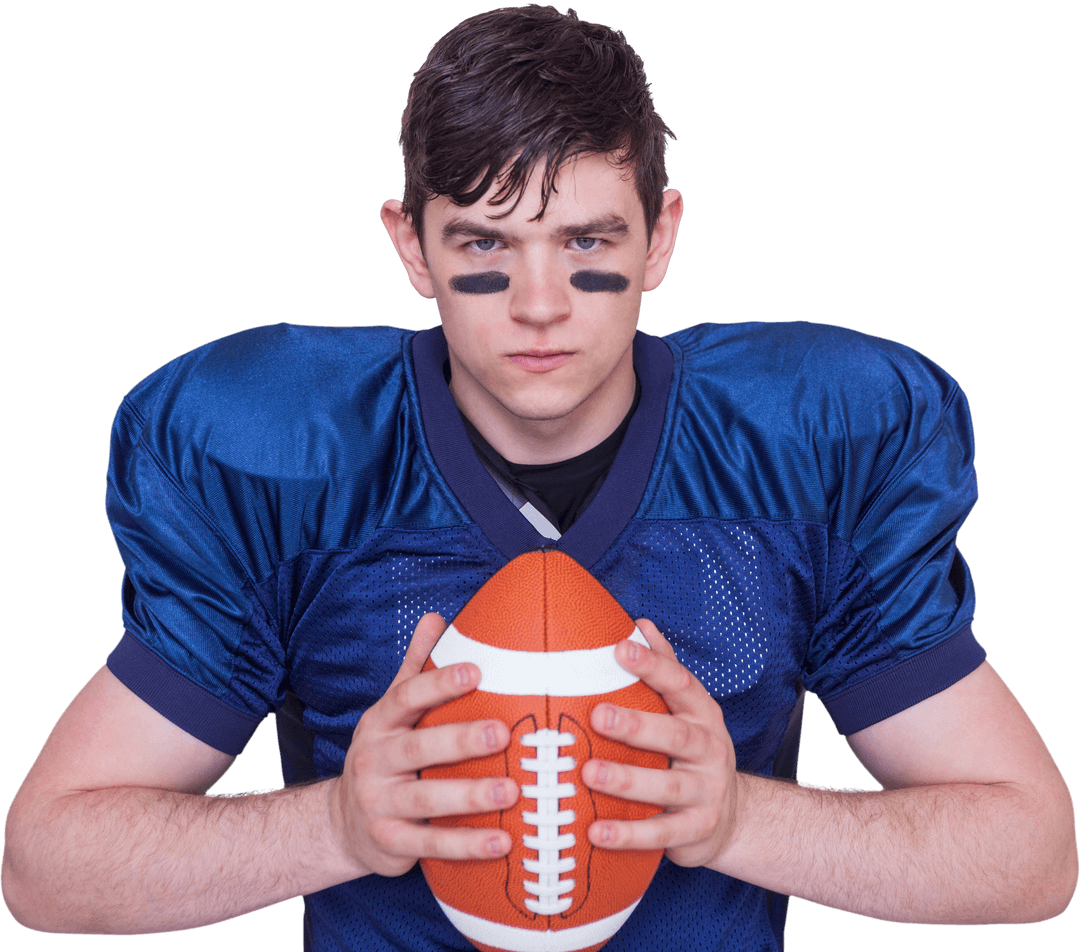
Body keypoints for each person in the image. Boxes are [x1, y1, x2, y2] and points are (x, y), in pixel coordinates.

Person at [2, 5, 1076, 950]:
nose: (540, 302)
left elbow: (1033, 859)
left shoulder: (802, 449)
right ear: (411, 246)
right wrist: (334, 826)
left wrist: (739, 818)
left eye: (587, 241)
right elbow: (43, 870)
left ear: (662, 236)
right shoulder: (285, 460)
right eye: (484, 245)